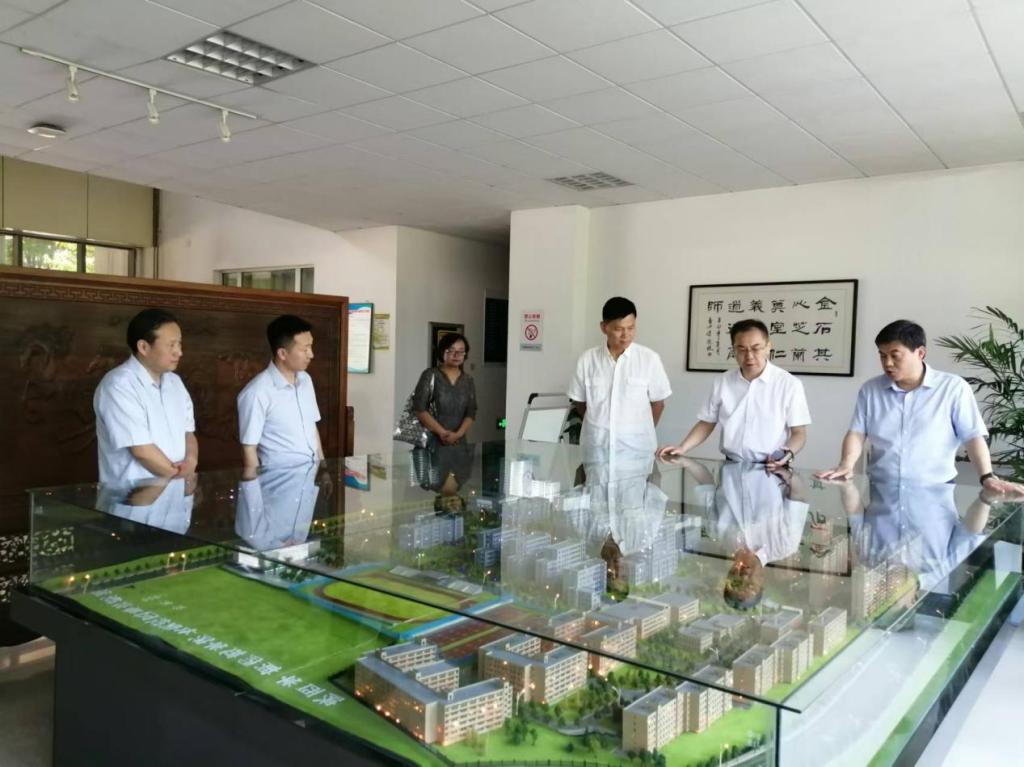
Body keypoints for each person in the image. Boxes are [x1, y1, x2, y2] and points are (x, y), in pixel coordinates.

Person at [816, 319, 1024, 494]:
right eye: (882, 355)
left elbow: (972, 436)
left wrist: (987, 477)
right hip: (882, 489)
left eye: (895, 355)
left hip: (936, 491)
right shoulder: (871, 390)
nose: (887, 363)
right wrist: (846, 465)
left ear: (921, 353)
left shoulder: (953, 388)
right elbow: (857, 433)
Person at [658, 319, 811, 468]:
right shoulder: (723, 381)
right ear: (734, 350)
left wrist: (787, 454)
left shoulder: (789, 384)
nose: (749, 356)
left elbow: (799, 433)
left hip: (772, 467)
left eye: (756, 348)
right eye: (742, 349)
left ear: (768, 347)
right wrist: (683, 447)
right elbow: (707, 422)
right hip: (731, 465)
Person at [93, 308, 198, 484]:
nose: (179, 352)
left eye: (179, 344)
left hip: (177, 492)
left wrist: (191, 463)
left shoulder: (175, 383)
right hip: (134, 495)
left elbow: (188, 433)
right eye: (171, 345)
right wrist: (179, 478)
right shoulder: (119, 385)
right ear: (143, 347)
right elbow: (141, 451)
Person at [568, 297, 671, 469]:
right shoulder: (587, 360)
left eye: (631, 328)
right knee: (594, 486)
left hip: (637, 452)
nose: (626, 335)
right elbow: (580, 402)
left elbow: (658, 404)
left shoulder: (649, 359)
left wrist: (639, 431)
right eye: (619, 329)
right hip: (597, 449)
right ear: (604, 327)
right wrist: (600, 424)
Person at [237, 315, 324, 471]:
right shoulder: (257, 392)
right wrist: (253, 485)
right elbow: (249, 448)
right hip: (279, 479)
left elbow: (312, 428)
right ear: (282, 354)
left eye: (311, 347)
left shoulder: (305, 380)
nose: (311, 354)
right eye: (305, 349)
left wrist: (323, 469)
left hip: (310, 476)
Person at [413, 333, 477, 446]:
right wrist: (443, 433)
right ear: (442, 351)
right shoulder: (430, 375)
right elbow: (419, 409)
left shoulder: (468, 380)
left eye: (461, 351)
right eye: (451, 350)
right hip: (432, 442)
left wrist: (458, 434)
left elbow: (471, 412)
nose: (456, 355)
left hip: (458, 442)